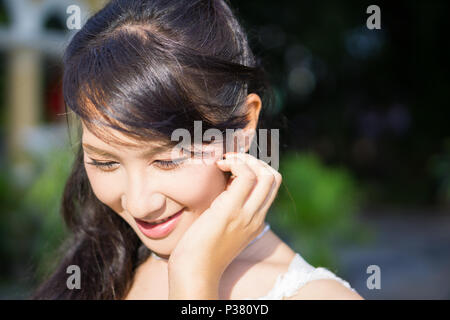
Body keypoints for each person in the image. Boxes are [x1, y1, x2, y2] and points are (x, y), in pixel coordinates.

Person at [31, 0, 363, 300]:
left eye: (166, 159)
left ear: (244, 125)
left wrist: (193, 278)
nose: (138, 203)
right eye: (104, 162)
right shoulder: (100, 269)